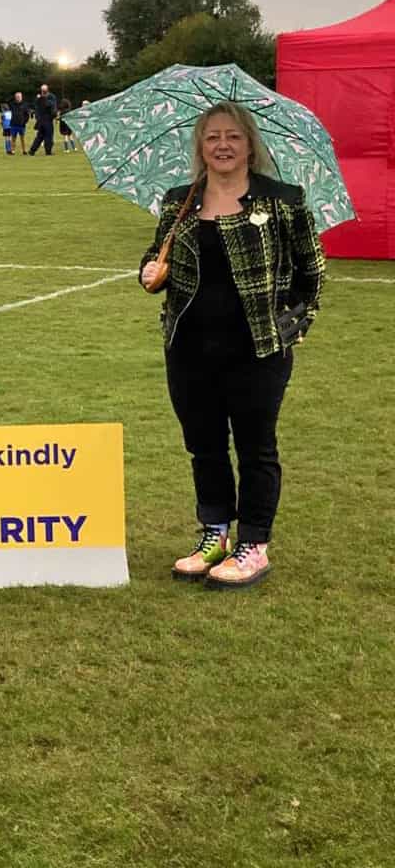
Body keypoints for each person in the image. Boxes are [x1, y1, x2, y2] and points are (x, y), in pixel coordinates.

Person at [139, 102, 326, 589]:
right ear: (200, 148)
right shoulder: (179, 202)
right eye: (212, 138)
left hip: (257, 351)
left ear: (249, 145)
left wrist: (292, 327)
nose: (222, 145)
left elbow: (313, 272)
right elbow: (155, 257)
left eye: (233, 137)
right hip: (188, 348)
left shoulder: (282, 201)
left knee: (255, 447)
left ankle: (253, 544)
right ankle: (215, 533)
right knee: (203, 446)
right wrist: (149, 273)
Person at [29, 84, 57, 155]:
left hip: (40, 120)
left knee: (39, 136)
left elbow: (36, 109)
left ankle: (32, 150)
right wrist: (54, 116)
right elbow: (53, 108)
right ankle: (48, 151)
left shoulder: (38, 99)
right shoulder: (51, 98)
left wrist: (37, 118)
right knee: (48, 136)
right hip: (47, 120)